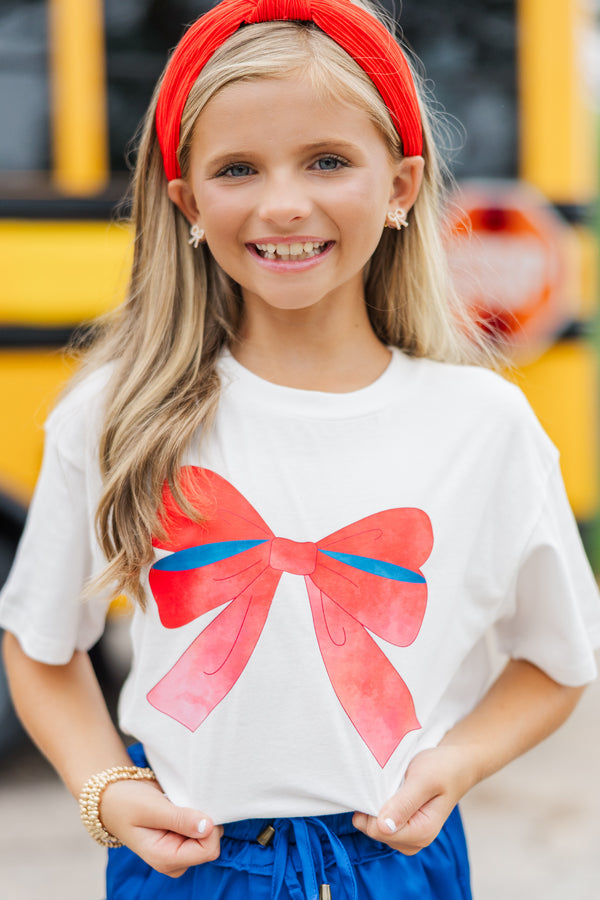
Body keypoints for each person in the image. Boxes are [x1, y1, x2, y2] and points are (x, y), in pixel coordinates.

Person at [1, 0, 599, 897]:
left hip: (396, 868)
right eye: (238, 168)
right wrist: (106, 790)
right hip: (188, 869)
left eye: (327, 161)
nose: (284, 204)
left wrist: (461, 762)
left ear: (400, 186)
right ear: (187, 201)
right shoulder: (114, 413)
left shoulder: (483, 424)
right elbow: (41, 645)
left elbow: (559, 659)